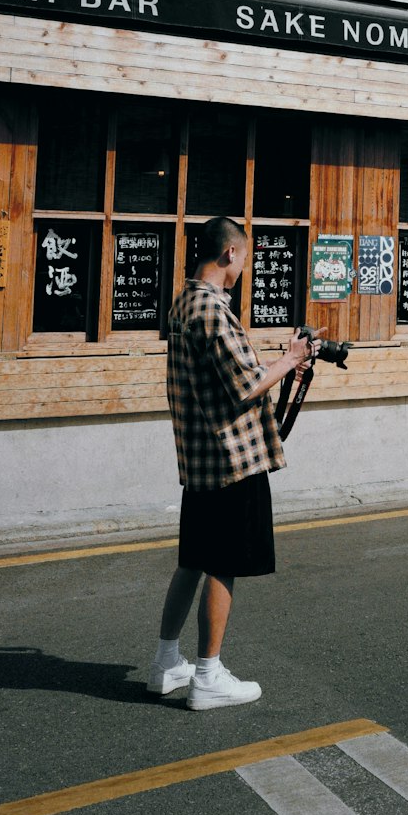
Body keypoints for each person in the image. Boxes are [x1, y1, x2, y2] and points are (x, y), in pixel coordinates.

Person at [148, 215, 322, 710]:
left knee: (193, 560)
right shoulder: (212, 309)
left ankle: (166, 663)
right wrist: (291, 359)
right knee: (222, 564)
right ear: (229, 254)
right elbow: (247, 386)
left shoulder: (184, 302)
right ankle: (207, 675)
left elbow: (229, 375)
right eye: (244, 258)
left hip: (199, 456)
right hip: (232, 457)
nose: (244, 267)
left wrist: (279, 363)